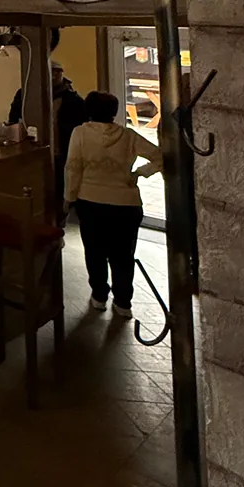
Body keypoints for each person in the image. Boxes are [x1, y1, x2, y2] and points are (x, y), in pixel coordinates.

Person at [63, 90, 162, 318]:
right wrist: (139, 173)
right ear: (114, 112)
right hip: (126, 203)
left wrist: (69, 199)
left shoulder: (80, 133)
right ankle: (123, 303)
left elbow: (73, 168)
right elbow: (160, 156)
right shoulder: (128, 136)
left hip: (90, 201)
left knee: (94, 253)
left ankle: (99, 296)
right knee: (123, 256)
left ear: (88, 110)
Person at [9, 54, 87, 216]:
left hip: (62, 153)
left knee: (59, 190)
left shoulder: (73, 100)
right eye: (51, 72)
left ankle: (58, 220)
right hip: (32, 151)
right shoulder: (25, 94)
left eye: (57, 72)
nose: (54, 75)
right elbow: (13, 118)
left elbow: (82, 127)